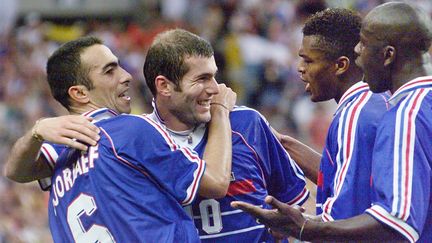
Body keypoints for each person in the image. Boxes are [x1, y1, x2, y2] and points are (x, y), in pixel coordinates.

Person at [232, 2, 432, 242]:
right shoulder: (406, 103)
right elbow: (351, 176)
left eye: (308, 60)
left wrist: (304, 228)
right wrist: (281, 143)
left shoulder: (390, 114)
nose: (358, 51)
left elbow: (391, 220)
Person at [5, 36, 237, 242]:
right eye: (110, 71)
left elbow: (15, 172)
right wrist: (220, 111)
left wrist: (37, 132)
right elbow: (216, 183)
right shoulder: (129, 130)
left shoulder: (64, 148)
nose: (126, 76)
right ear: (79, 93)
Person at [143, 28, 309, 242]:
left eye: (214, 76)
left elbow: (297, 201)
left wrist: (292, 228)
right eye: (202, 79)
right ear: (164, 85)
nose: (216, 88)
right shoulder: (140, 140)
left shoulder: (247, 123)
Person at [273, 8, 389, 221]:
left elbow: (345, 216)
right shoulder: (374, 101)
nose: (300, 68)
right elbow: (341, 177)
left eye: (308, 61)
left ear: (340, 65)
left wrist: (297, 225)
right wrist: (280, 142)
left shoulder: (355, 116)